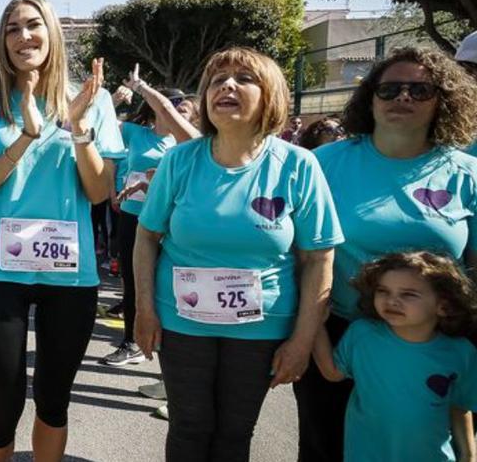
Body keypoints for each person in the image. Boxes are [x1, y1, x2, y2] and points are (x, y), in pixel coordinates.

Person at [133, 47, 343, 462]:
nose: (226, 85)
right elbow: (146, 236)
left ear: (271, 96)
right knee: (189, 428)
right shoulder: (180, 160)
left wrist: (302, 341)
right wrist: (143, 310)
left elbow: (319, 258)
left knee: (234, 434)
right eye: (217, 79)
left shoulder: (299, 165)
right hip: (182, 321)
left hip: (262, 327)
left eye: (244, 79)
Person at [0, 0, 125, 461]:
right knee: (3, 404)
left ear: (52, 34)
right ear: (3, 42)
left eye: (33, 25)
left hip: (69, 275)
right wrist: (27, 135)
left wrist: (80, 126)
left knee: (53, 401)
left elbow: (98, 191)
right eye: (12, 28)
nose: (23, 36)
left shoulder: (94, 100)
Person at [301, 46, 477, 461]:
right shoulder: (321, 164)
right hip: (341, 334)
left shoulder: (468, 174)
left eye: (420, 90)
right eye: (390, 89)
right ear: (370, 97)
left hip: (431, 342)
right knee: (324, 448)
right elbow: (298, 257)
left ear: (443, 100)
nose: (403, 98)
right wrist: (307, 333)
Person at [311, 251, 477, 462]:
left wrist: (469, 455)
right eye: (383, 291)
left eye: (408, 294)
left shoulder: (461, 353)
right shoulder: (362, 334)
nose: (392, 301)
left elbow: (460, 405)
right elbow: (332, 373)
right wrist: (314, 322)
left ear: (444, 306)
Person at [102, 71, 200, 367]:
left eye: (184, 109)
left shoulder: (186, 141)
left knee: (170, 283)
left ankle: (170, 353)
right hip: (134, 216)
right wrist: (114, 98)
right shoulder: (135, 132)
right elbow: (100, 126)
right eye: (175, 106)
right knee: (133, 281)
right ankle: (130, 342)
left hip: (172, 223)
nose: (178, 113)